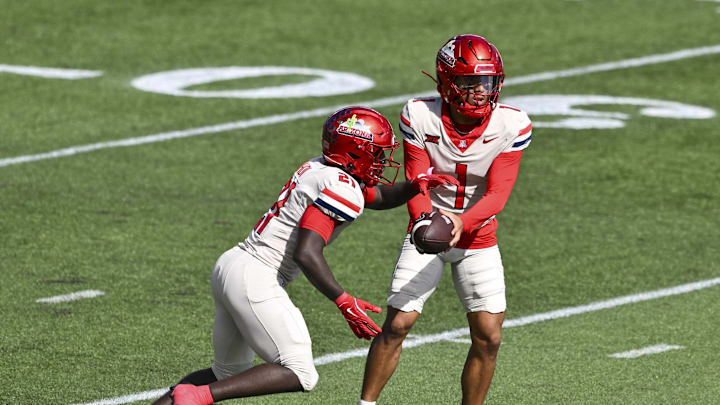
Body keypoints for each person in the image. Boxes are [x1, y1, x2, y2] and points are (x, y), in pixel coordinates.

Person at [151, 106, 458, 405]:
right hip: (258, 275)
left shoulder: (322, 168)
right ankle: (197, 398)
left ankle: (186, 397)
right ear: (354, 152)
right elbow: (307, 253)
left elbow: (375, 197)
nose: (381, 162)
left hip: (233, 265)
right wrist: (343, 300)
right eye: (376, 154)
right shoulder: (342, 186)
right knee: (299, 372)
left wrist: (415, 187)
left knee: (224, 374)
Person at [359, 34, 533, 405]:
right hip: (428, 229)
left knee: (489, 335)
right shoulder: (420, 114)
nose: (480, 92)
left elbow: (498, 194)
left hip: (478, 237)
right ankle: (366, 404)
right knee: (398, 324)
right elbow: (417, 181)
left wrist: (461, 223)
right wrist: (425, 223)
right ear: (446, 83)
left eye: (486, 83)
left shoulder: (512, 124)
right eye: (470, 83)